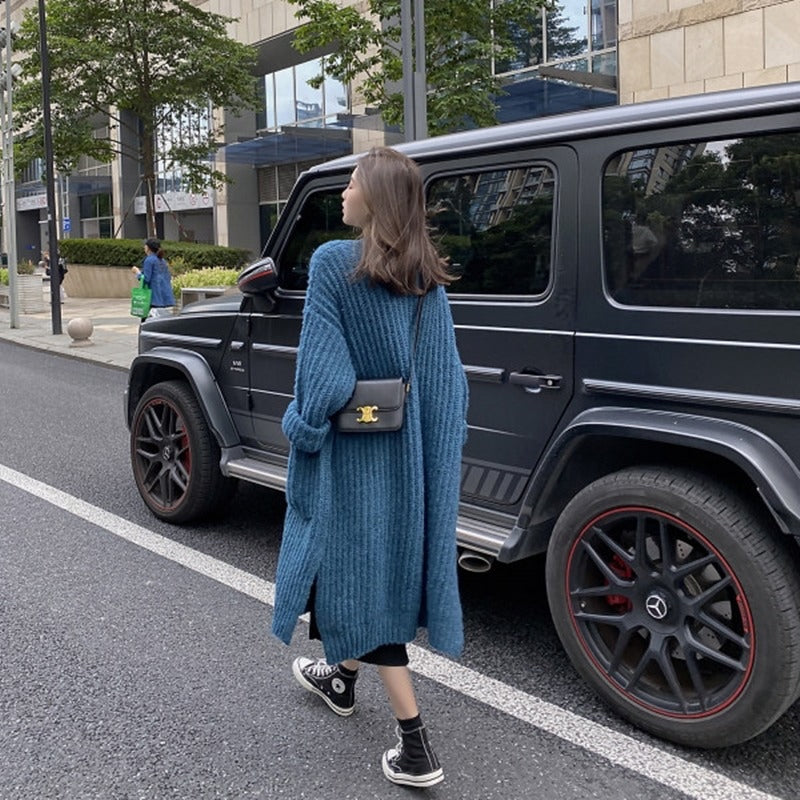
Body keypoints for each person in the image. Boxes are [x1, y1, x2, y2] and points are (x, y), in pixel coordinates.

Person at [272, 147, 469, 789]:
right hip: (403, 457)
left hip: (351, 458)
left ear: (375, 198)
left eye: (353, 181)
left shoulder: (334, 263)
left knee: (358, 580)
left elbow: (324, 382)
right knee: (365, 573)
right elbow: (446, 384)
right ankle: (340, 678)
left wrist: (298, 426)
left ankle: (416, 746)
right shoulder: (423, 280)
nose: (345, 190)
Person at [131, 238, 176, 318]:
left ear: (148, 248)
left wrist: (137, 272)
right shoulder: (162, 261)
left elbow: (146, 279)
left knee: (148, 323)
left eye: (145, 245)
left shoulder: (149, 260)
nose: (144, 247)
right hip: (163, 297)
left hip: (153, 298)